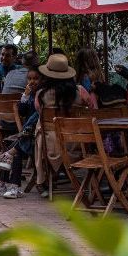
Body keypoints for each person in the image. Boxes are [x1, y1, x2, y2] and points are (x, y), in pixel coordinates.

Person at [34, 53, 91, 197]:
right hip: (77, 146)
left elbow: (38, 111)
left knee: (39, 127)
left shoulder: (41, 94)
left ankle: (43, 180)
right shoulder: (80, 91)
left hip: (50, 147)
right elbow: (91, 110)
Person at [0, 64, 43, 198]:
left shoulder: (42, 95)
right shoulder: (31, 94)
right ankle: (10, 186)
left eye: (35, 79)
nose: (32, 82)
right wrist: (25, 96)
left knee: (16, 149)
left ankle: (4, 184)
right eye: (29, 79)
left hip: (37, 135)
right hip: (29, 133)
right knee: (16, 149)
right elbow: (22, 111)